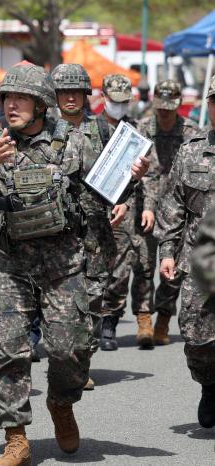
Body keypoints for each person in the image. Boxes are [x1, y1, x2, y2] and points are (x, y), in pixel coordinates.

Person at [0, 63, 148, 465]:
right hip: (10, 265)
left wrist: (130, 182)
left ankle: (62, 403)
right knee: (7, 351)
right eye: (7, 98)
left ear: (42, 104)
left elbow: (103, 191)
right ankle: (16, 436)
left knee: (71, 349)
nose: (11, 106)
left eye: (21, 99)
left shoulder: (74, 142)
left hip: (63, 263)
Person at [51, 63, 125, 390]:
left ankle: (82, 362)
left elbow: (121, 177)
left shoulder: (103, 130)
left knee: (94, 298)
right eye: (64, 92)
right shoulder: (44, 131)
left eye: (75, 92)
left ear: (85, 95)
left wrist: (126, 194)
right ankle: (65, 359)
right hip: (57, 233)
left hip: (96, 230)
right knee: (63, 300)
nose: (70, 98)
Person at [155, 76, 215, 430]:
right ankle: (210, 384)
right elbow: (174, 204)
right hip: (199, 259)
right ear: (208, 105)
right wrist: (167, 250)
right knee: (196, 337)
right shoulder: (191, 150)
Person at [136, 80, 204, 346]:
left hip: (179, 211)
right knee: (143, 265)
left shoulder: (190, 132)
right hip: (145, 207)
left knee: (172, 268)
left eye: (169, 108)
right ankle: (144, 317)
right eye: (160, 108)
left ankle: (163, 317)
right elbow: (145, 173)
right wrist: (147, 206)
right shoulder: (141, 130)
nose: (164, 113)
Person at [99, 73, 156, 350]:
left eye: (124, 101)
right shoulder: (90, 128)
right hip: (96, 211)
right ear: (103, 98)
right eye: (114, 101)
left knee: (122, 270)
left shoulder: (136, 132)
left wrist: (148, 207)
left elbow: (149, 175)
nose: (119, 106)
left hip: (128, 210)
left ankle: (109, 323)